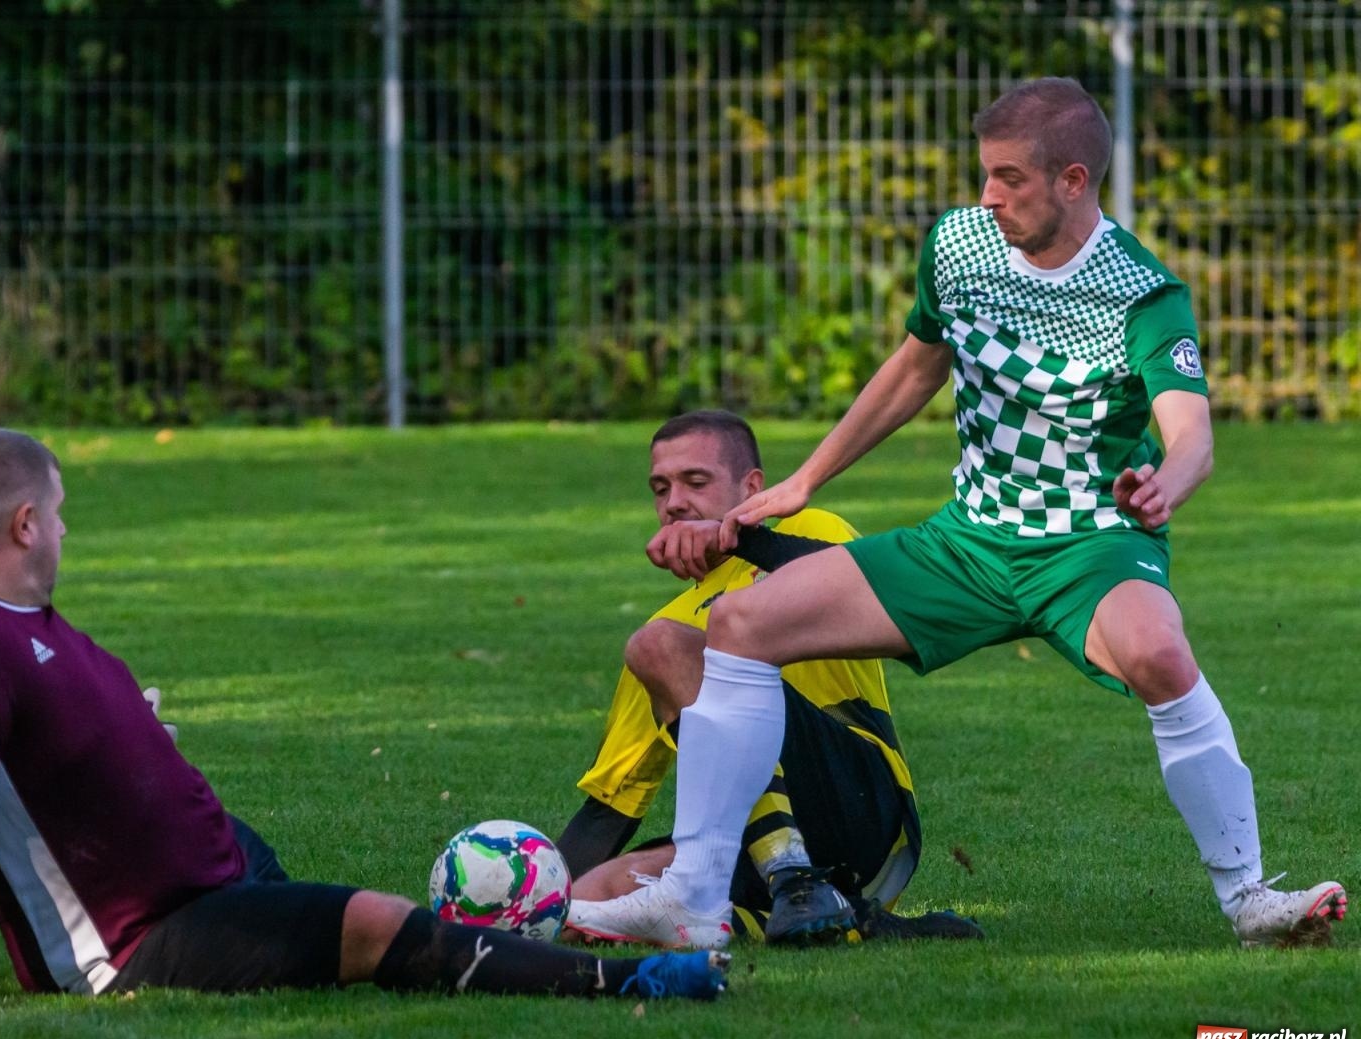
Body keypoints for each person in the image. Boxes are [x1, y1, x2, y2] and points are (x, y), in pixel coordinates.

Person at [568, 78, 1346, 950]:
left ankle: (1252, 903)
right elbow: (914, 369)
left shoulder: (1142, 292)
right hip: (967, 545)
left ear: (1074, 181)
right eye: (984, 174)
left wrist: (1169, 480)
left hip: (1087, 546)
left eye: (1009, 178)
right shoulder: (960, 245)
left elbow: (1192, 431)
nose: (988, 196)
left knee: (1161, 654)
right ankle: (698, 896)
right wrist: (803, 483)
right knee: (740, 623)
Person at [0, 428, 730, 1020]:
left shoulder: (18, 621)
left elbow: (60, 757)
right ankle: (627, 987)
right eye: (58, 512)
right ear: (25, 523)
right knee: (373, 925)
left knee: (305, 918)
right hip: (140, 941)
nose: (64, 529)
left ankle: (309, 933)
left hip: (208, 873)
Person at [558, 411, 979, 948]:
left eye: (696, 482)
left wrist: (740, 540)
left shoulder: (808, 532)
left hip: (861, 807)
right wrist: (528, 904)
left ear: (751, 487)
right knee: (594, 903)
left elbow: (894, 610)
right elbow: (609, 811)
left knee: (659, 644)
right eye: (660, 488)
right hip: (748, 843)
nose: (674, 503)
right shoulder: (668, 628)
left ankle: (795, 876)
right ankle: (848, 917)